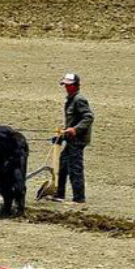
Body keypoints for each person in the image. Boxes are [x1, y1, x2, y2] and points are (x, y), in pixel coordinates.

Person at [56, 73, 94, 205]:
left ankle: (79, 198)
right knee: (62, 165)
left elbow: (88, 117)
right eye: (65, 85)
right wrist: (64, 132)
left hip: (78, 140)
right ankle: (59, 195)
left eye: (69, 85)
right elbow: (73, 120)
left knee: (75, 168)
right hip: (71, 139)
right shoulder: (70, 99)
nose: (66, 87)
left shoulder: (79, 100)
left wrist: (75, 129)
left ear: (75, 85)